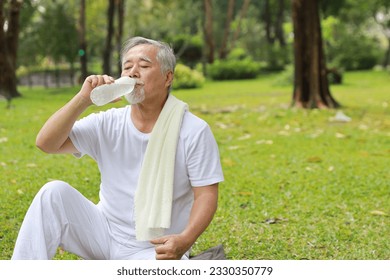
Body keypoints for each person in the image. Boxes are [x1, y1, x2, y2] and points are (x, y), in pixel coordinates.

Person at [12, 36, 224, 260]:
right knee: (52, 193)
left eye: (143, 65)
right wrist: (84, 99)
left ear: (167, 77)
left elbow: (206, 195)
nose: (133, 72)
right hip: (102, 233)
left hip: (151, 249)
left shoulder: (194, 130)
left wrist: (185, 240)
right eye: (127, 67)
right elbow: (46, 143)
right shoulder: (107, 122)